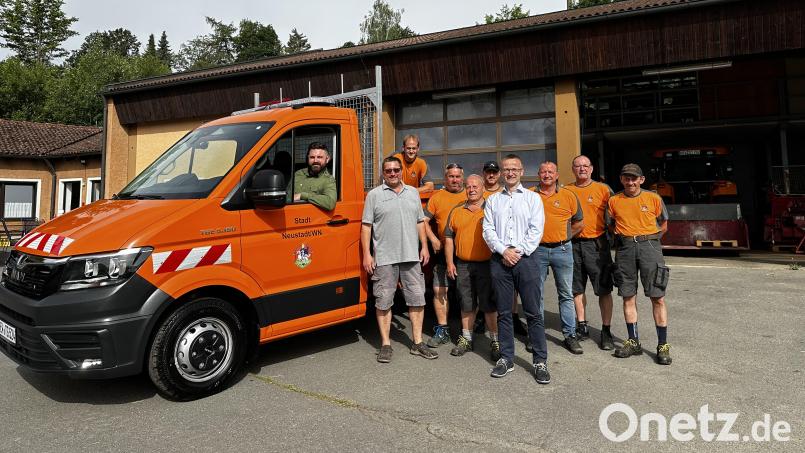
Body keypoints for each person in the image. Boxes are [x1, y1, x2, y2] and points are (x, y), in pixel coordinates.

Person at [361, 156, 438, 363]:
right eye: (388, 171)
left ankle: (418, 342)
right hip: (385, 257)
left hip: (411, 256)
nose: (393, 173)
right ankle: (385, 345)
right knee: (384, 301)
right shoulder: (374, 195)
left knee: (417, 299)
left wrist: (424, 246)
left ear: (401, 171)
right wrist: (367, 254)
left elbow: (420, 221)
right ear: (383, 173)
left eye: (396, 170)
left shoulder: (412, 193)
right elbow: (366, 226)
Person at [483, 154, 550, 384]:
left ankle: (540, 361)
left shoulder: (533, 199)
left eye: (514, 169)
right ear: (502, 173)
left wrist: (516, 252)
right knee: (503, 313)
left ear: (522, 171)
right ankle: (506, 358)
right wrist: (504, 251)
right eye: (506, 169)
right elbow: (488, 230)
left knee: (533, 313)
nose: (510, 173)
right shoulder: (492, 200)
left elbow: (536, 230)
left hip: (527, 260)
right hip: (500, 260)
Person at [607, 163, 672, 365]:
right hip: (625, 249)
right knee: (628, 295)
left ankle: (663, 345)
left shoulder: (653, 198)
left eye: (634, 178)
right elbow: (610, 225)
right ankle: (633, 341)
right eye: (627, 178)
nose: (630, 182)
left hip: (649, 247)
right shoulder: (614, 200)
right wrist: (625, 240)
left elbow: (664, 224)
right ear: (621, 179)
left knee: (657, 297)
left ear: (641, 180)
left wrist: (650, 240)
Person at [444, 174, 499, 360]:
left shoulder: (492, 208)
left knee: (490, 305)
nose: (472, 189)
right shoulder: (457, 210)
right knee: (466, 303)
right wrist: (450, 262)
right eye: (468, 186)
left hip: (488, 265)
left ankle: (495, 341)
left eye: (476, 186)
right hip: (463, 265)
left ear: (484, 188)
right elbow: (449, 238)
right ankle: (466, 339)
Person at [534, 161, 585, 355]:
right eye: (543, 171)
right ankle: (536, 335)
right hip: (536, 251)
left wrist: (565, 237)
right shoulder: (530, 195)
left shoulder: (568, 195)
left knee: (565, 294)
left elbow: (579, 222)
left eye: (550, 172)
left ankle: (570, 335)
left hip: (562, 250)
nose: (547, 175)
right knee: (536, 295)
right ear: (539, 174)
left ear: (557, 175)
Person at [566, 155, 616, 351]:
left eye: (585, 166)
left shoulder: (604, 190)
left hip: (597, 246)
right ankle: (582, 326)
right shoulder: (566, 190)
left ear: (592, 168)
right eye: (577, 166)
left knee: (604, 289)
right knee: (576, 288)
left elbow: (615, 216)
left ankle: (606, 331)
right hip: (573, 245)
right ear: (573, 169)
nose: (582, 169)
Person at [423, 163, 466, 348]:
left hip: (466, 253)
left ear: (462, 177)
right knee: (440, 290)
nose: (454, 180)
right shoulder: (437, 197)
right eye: (451, 176)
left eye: (457, 176)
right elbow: (423, 221)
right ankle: (443, 329)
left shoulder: (471, 194)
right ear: (445, 177)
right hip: (442, 253)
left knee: (468, 292)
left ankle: (467, 332)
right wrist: (433, 238)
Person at [288, 142, 336, 210]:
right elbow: (287, 196)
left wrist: (303, 196)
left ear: (327, 159)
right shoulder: (298, 174)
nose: (315, 160)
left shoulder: (329, 180)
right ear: (308, 158)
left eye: (319, 157)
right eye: (312, 157)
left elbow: (330, 202)